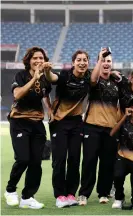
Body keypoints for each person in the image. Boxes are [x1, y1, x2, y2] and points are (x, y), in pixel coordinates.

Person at [44, 50, 93, 208]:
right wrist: (46, 70)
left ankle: (71, 193)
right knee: (59, 160)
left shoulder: (88, 77)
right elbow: (52, 78)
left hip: (77, 122)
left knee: (74, 159)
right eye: (79, 60)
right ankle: (59, 195)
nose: (82, 62)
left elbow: (100, 76)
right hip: (59, 122)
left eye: (85, 60)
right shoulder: (65, 75)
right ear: (73, 63)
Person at [4, 47, 52, 209]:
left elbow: (45, 95)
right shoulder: (21, 75)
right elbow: (17, 95)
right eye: (35, 58)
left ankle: (27, 197)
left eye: (41, 58)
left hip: (37, 123)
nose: (38, 61)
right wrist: (34, 79)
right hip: (19, 122)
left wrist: (50, 110)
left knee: (36, 162)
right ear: (28, 60)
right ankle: (10, 190)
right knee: (23, 158)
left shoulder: (45, 79)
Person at [77, 49, 120, 206]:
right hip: (91, 127)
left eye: (109, 61)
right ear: (98, 63)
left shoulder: (117, 82)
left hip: (110, 129)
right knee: (89, 161)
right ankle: (84, 194)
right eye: (103, 61)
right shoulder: (92, 80)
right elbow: (93, 79)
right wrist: (100, 59)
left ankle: (104, 192)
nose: (106, 64)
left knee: (107, 163)